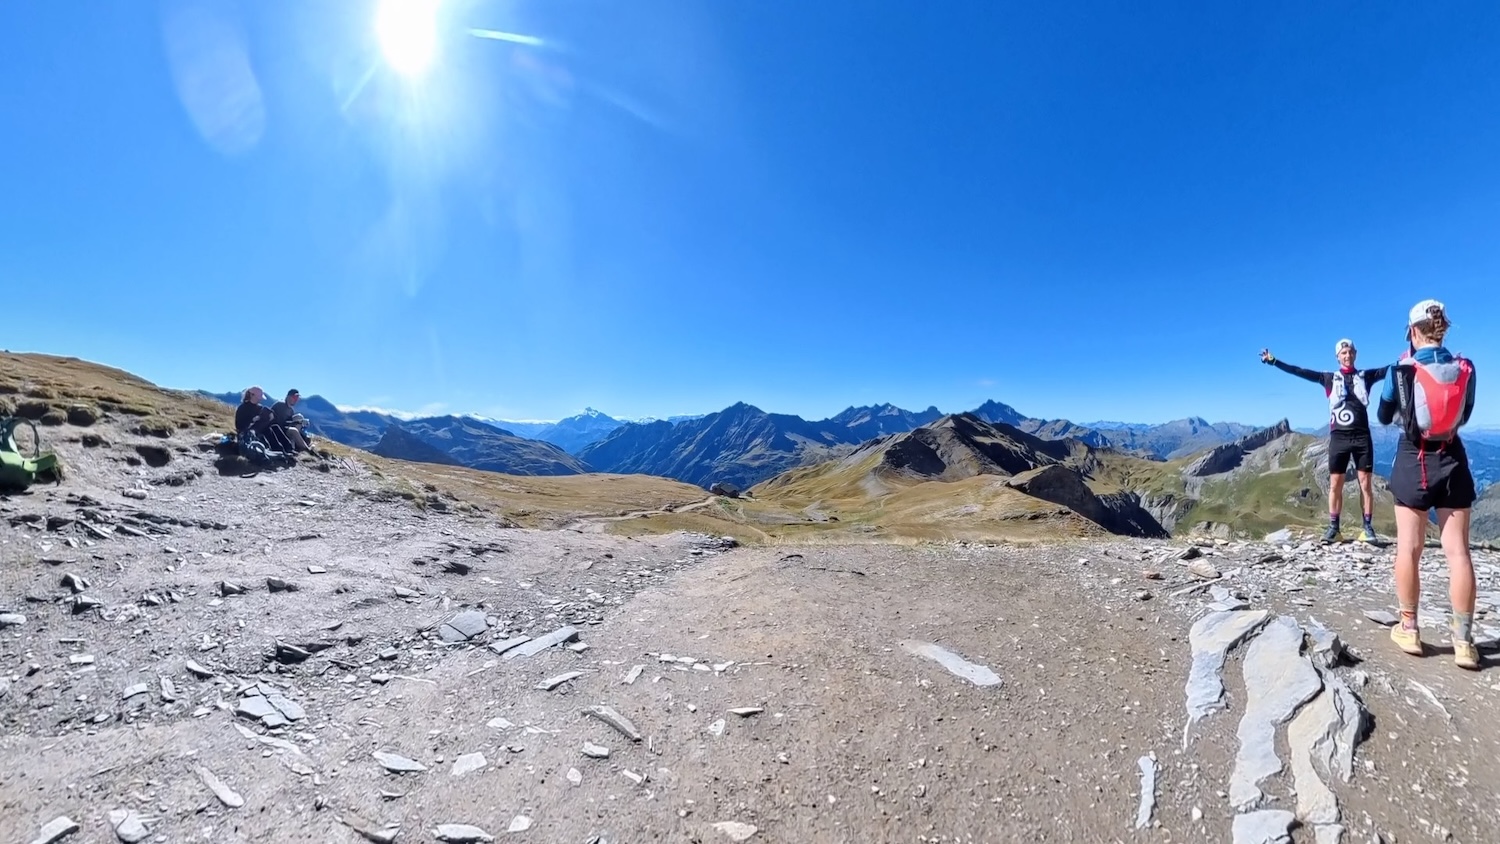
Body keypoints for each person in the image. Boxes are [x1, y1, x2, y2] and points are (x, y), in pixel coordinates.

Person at [1375, 299, 1479, 670]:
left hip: (1413, 459)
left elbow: (1384, 415)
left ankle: (1409, 629)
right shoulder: (1465, 367)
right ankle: (1464, 643)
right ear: (1443, 328)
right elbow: (1463, 415)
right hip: (1452, 459)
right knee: (1458, 553)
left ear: (1413, 331)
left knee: (1409, 549)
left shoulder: (1400, 369)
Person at [1259, 339, 1390, 543]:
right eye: (1343, 353)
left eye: (1350, 352)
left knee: (1365, 484)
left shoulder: (1366, 376)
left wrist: (1415, 358)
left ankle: (1367, 528)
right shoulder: (1327, 378)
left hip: (1362, 437)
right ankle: (1334, 528)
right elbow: (1298, 371)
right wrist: (1274, 361)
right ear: (1337, 357)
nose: (1347, 356)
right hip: (1339, 438)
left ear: (1355, 354)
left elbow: (1389, 370)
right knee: (1335, 485)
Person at [267, 388, 314, 454]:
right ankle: (307, 450)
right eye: (294, 397)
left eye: (297, 398)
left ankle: (294, 445)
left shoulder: (291, 410)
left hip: (284, 428)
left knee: (299, 418)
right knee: (293, 430)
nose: (296, 400)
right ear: (288, 397)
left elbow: (288, 421)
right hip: (276, 429)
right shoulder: (279, 405)